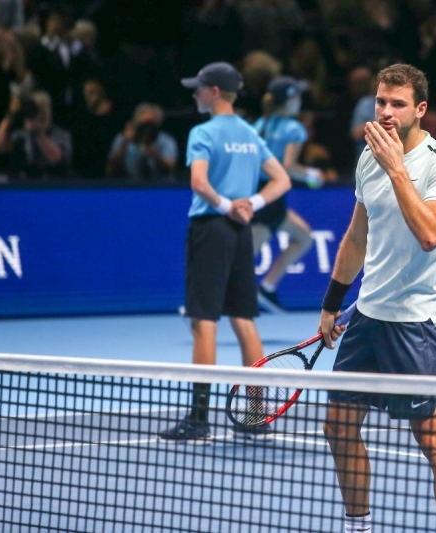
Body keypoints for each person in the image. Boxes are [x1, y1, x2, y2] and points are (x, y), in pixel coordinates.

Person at [317, 63, 436, 533]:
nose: (385, 111)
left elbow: (429, 235)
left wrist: (397, 168)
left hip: (415, 323)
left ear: (419, 109)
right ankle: (358, 526)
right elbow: (356, 237)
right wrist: (331, 303)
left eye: (397, 104)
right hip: (367, 316)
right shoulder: (368, 157)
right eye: (381, 101)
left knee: (434, 443)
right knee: (338, 427)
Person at [157, 62, 290, 442]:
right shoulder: (249, 133)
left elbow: (199, 183)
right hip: (241, 232)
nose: (194, 94)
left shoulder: (202, 132)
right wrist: (251, 203)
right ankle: (256, 414)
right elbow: (281, 180)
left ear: (214, 92)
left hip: (211, 229)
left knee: (203, 321)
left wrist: (227, 205)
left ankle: (199, 419)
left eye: (198, 88)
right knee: (244, 320)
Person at [252, 75, 325, 313]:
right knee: (244, 255)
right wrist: (313, 175)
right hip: (272, 194)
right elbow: (289, 166)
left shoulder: (259, 125)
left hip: (257, 191)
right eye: (297, 96)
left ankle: (267, 288)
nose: (300, 101)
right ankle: (206, 301)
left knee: (303, 237)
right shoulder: (294, 129)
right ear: (290, 100)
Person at [0, 89, 73, 178]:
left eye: (45, 110)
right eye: (38, 110)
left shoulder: (62, 134)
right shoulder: (22, 135)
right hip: (25, 182)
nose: (43, 115)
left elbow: (55, 159)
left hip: (55, 183)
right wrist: (11, 114)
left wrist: (38, 133)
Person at [105, 102, 178, 180]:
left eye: (150, 124)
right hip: (129, 184)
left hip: (160, 185)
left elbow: (172, 167)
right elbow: (109, 169)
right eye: (144, 124)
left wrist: (156, 155)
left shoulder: (166, 140)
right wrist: (125, 143)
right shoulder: (122, 139)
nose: (147, 129)